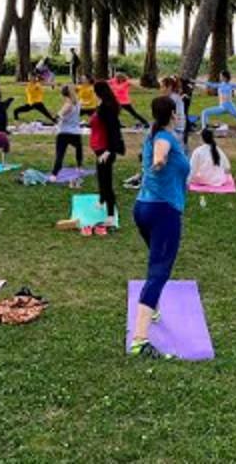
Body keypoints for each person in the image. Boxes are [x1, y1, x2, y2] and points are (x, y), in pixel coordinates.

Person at [128, 96, 191, 358]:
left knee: (157, 263)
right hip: (162, 212)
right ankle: (140, 341)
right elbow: (161, 151)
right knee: (159, 271)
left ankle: (150, 306)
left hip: (143, 208)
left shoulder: (152, 132)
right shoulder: (164, 137)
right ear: (173, 114)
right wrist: (159, 160)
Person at [89, 81, 125, 232]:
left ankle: (110, 214)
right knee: (101, 176)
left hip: (105, 150)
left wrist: (109, 150)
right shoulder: (103, 105)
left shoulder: (107, 108)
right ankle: (102, 199)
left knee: (106, 180)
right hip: (99, 149)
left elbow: (114, 130)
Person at [198, 70, 236, 135]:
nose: (220, 77)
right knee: (205, 112)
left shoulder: (231, 85)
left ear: (224, 77)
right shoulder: (220, 85)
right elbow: (208, 84)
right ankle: (204, 130)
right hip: (222, 108)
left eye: (221, 76)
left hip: (231, 107)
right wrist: (195, 81)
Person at [52, 85, 84, 177]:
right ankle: (79, 167)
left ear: (63, 94)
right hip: (76, 133)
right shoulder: (78, 103)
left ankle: (54, 174)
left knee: (60, 154)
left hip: (64, 133)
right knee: (79, 149)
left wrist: (56, 117)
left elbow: (58, 117)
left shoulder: (68, 104)